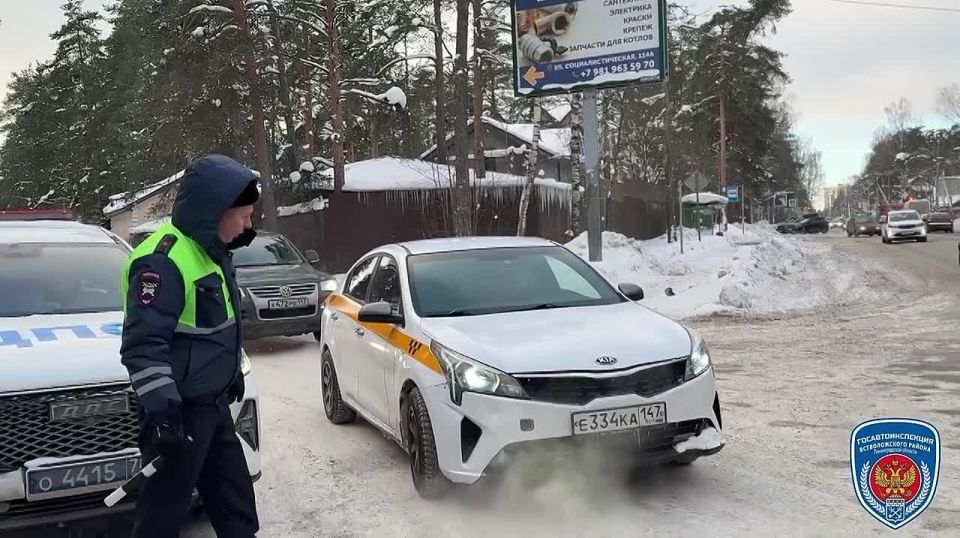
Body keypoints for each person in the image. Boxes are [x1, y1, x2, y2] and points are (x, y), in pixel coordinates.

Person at [119, 154, 261, 538]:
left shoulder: (213, 254)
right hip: (178, 416)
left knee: (238, 510)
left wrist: (229, 376)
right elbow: (143, 346)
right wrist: (164, 414)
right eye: (244, 214)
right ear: (215, 210)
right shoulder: (162, 260)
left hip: (212, 409)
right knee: (161, 519)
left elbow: (216, 329)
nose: (249, 223)